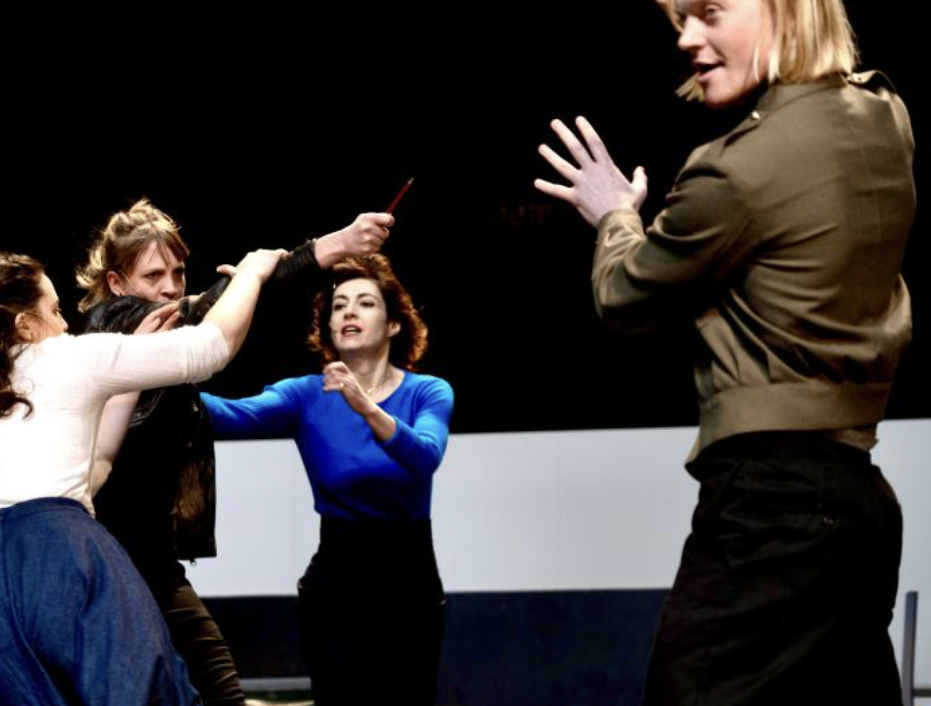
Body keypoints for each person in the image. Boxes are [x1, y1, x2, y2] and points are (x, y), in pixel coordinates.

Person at [536, 0, 914, 703]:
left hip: (772, 513)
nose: (687, 38)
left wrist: (615, 214)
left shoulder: (736, 169)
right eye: (681, 19)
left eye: (709, 12)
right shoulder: (883, 114)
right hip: (859, 505)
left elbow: (624, 294)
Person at [0, 247, 284, 706]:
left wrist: (128, 382)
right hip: (58, 558)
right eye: (54, 311)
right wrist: (252, 274)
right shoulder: (66, 356)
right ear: (24, 325)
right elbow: (212, 346)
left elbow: (91, 471)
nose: (66, 324)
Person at [75, 199, 394, 705]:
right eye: (153, 275)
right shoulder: (111, 324)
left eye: (178, 272)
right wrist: (291, 260)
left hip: (150, 559)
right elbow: (215, 314)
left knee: (213, 689)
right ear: (116, 283)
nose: (170, 287)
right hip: (106, 558)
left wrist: (318, 253)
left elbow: (226, 303)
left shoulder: (162, 335)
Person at [201, 254, 453, 706]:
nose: (349, 312)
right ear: (330, 326)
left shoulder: (428, 391)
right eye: (339, 306)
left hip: (408, 578)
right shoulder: (305, 394)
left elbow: (424, 457)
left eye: (365, 303)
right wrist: (151, 374)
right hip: (337, 578)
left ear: (394, 325)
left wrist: (365, 406)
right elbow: (230, 416)